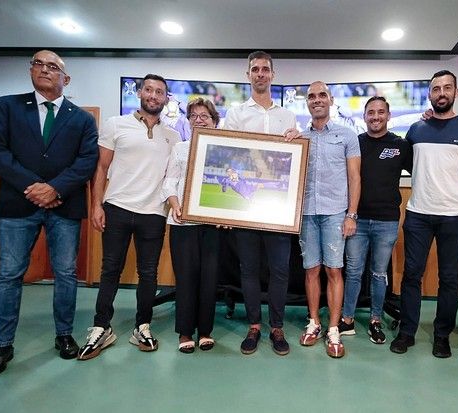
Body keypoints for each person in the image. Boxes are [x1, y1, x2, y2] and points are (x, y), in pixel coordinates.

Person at [0, 50, 99, 377]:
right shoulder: (8, 106)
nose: (44, 69)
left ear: (66, 79)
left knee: (65, 273)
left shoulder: (82, 119)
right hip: (18, 204)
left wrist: (55, 188)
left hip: (64, 206)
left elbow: (87, 161)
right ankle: (2, 345)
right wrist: (32, 185)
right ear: (31, 70)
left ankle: (64, 335)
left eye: (53, 66)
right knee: (9, 274)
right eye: (38, 64)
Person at [77, 74, 179, 360]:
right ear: (140, 93)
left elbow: (174, 178)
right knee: (110, 269)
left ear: (166, 99)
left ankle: (142, 326)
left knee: (149, 273)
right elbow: (101, 168)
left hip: (153, 213)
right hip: (117, 208)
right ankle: (100, 327)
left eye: (160, 92)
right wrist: (96, 205)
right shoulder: (115, 124)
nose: (154, 95)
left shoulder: (172, 136)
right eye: (149, 90)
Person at [390, 70, 458, 358]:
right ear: (429, 94)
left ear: (455, 92)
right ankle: (407, 331)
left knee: (449, 279)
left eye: (447, 88)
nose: (441, 92)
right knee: (411, 275)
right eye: (435, 88)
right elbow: (410, 164)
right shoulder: (417, 129)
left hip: (455, 214)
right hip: (418, 212)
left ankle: (442, 335)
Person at [223, 51, 296, 356]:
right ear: (248, 74)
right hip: (248, 205)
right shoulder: (236, 113)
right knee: (249, 268)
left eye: (266, 69)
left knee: (280, 270)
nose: (261, 74)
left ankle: (276, 327)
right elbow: (228, 153)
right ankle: (254, 325)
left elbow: (293, 161)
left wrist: (296, 139)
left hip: (278, 206)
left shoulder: (287, 116)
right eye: (255, 69)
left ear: (273, 75)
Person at [339, 97, 412, 344]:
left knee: (379, 273)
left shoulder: (400, 145)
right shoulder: (355, 144)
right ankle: (346, 319)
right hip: (356, 221)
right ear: (364, 117)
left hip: (387, 221)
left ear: (389, 116)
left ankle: (375, 320)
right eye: (371, 112)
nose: (376, 117)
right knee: (353, 272)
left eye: (381, 112)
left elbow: (425, 170)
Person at [296, 81, 361, 358]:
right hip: (307, 213)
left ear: (330, 100)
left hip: (336, 213)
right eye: (311, 96)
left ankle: (333, 329)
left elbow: (355, 178)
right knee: (311, 270)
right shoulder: (299, 138)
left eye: (322, 95)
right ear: (307, 103)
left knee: (334, 270)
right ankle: (314, 323)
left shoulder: (347, 135)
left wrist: (351, 214)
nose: (317, 100)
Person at [163, 97, 222, 354]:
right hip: (182, 222)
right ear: (188, 121)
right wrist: (175, 204)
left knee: (209, 279)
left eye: (204, 116)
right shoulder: (180, 148)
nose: (199, 120)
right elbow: (169, 181)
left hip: (212, 226)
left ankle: (206, 331)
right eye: (194, 116)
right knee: (186, 279)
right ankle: (185, 332)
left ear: (214, 121)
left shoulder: (223, 150)